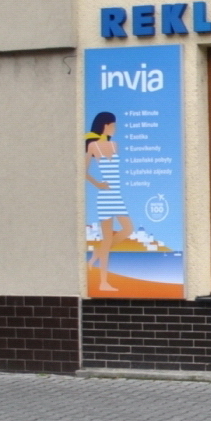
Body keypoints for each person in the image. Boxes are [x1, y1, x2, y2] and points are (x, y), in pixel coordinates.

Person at [85, 112, 132, 292]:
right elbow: (83, 171)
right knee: (106, 239)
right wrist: (98, 184)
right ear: (105, 125)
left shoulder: (114, 145)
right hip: (105, 195)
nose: (115, 128)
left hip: (116, 194)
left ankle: (96, 255)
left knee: (128, 229)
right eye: (113, 125)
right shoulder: (93, 146)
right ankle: (103, 282)